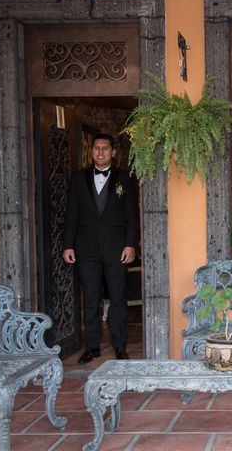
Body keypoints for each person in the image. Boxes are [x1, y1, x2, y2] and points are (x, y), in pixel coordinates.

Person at [63, 133, 139, 363]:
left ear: (113, 152)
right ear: (92, 151)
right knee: (90, 300)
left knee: (118, 299)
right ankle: (92, 347)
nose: (100, 152)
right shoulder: (78, 178)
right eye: (97, 148)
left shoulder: (125, 178)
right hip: (86, 249)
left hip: (117, 249)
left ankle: (119, 346)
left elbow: (132, 216)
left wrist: (131, 244)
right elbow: (72, 215)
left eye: (105, 148)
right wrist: (68, 245)